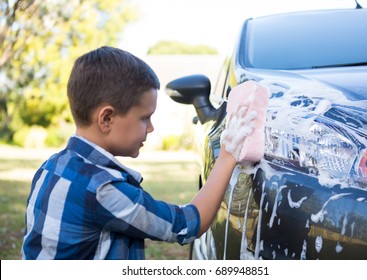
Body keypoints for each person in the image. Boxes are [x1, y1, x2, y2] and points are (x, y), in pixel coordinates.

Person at [21, 46, 256, 260]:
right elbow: (186, 224)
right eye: (145, 118)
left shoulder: (49, 168)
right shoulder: (103, 190)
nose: (151, 128)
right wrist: (227, 155)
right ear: (107, 118)